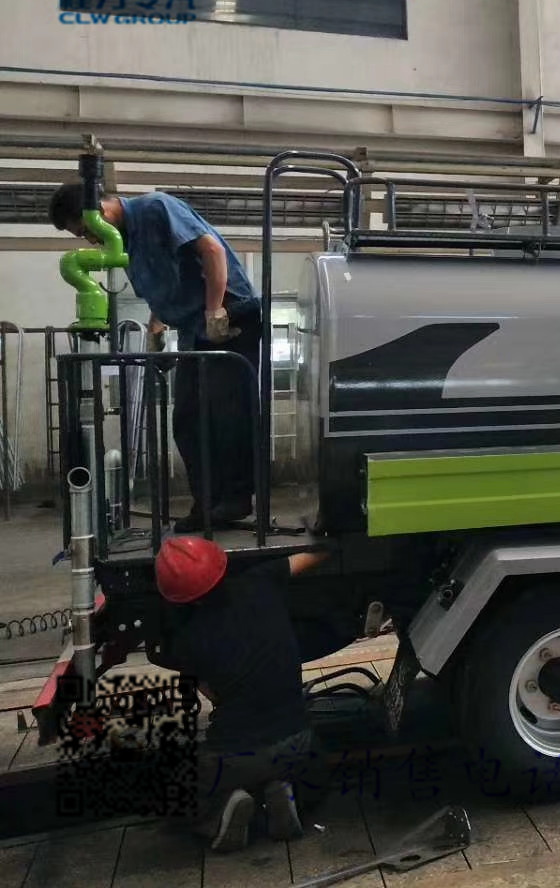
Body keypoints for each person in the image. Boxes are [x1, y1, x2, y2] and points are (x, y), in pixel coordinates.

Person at [49, 183, 261, 530]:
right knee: (188, 419)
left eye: (86, 230)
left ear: (99, 211)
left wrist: (215, 312)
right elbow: (163, 287)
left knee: (227, 415)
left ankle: (235, 500)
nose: (91, 240)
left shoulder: (156, 208)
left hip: (231, 315)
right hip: (195, 328)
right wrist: (155, 329)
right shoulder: (126, 240)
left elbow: (211, 251)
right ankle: (208, 503)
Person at [146, 535, 330, 852]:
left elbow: (215, 696)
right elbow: (315, 555)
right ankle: (286, 796)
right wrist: (333, 535)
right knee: (313, 776)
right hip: (299, 743)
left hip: (234, 757)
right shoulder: (262, 581)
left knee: (178, 794)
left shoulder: (187, 642)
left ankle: (220, 817)